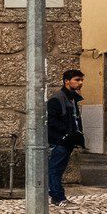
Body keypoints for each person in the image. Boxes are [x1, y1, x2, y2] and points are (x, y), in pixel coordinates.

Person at [44, 69, 85, 206]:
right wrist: (67, 133)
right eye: (77, 80)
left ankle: (57, 196)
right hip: (60, 141)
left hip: (67, 141)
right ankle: (58, 197)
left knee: (58, 170)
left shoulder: (71, 98)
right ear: (67, 81)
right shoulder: (58, 99)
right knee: (55, 170)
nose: (80, 83)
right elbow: (51, 121)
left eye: (81, 80)